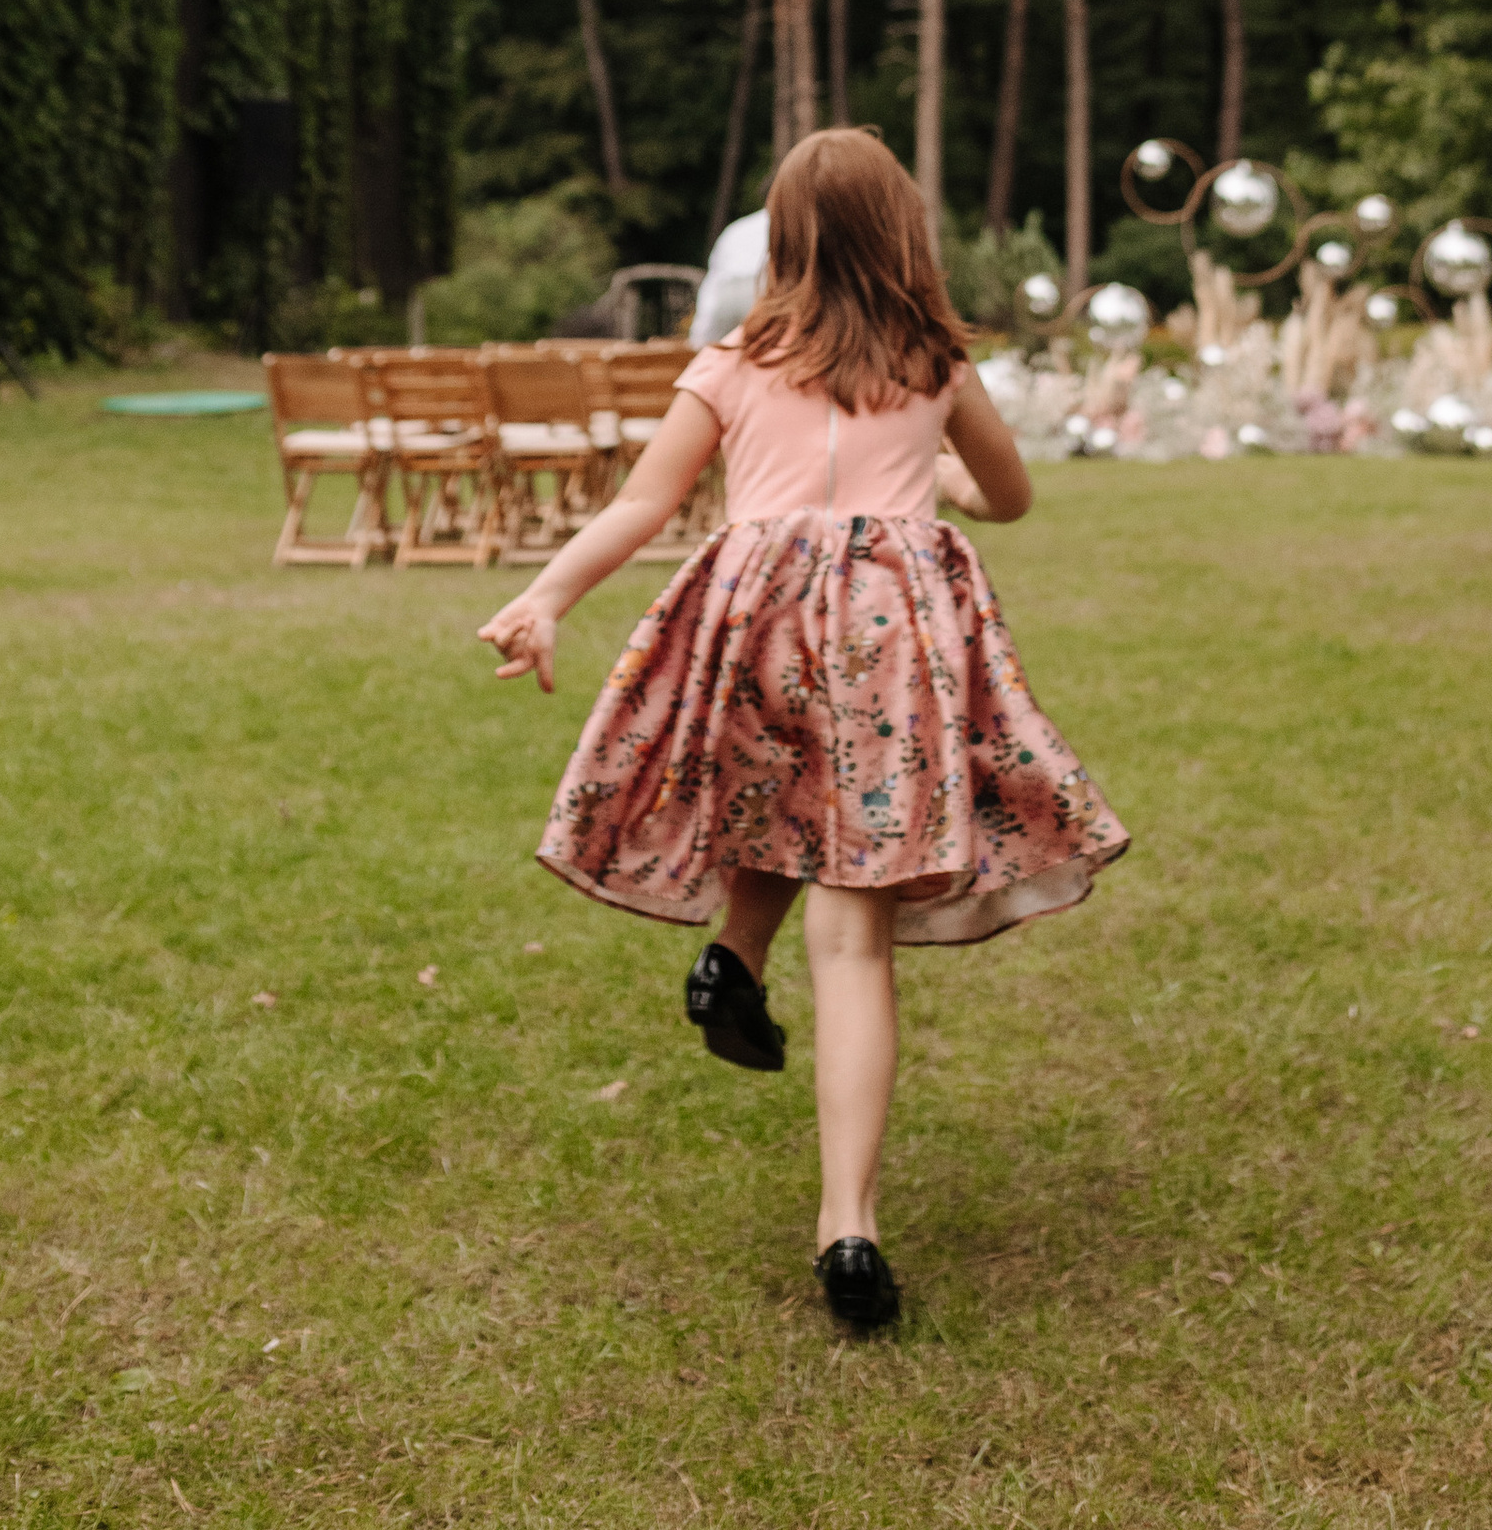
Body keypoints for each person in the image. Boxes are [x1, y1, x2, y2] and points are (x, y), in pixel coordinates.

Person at [476, 124, 1127, 1332]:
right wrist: (943, 485)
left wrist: (545, 596)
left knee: (771, 801)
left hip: (758, 623)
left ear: (780, 239)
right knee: (856, 944)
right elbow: (1014, 496)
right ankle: (847, 1229)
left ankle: (733, 956)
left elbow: (644, 500)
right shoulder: (937, 366)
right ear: (901, 234)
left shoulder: (728, 361)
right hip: (887, 637)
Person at [688, 204, 768, 347]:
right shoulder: (790, 222)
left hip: (727, 289)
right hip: (762, 287)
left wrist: (699, 337)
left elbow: (715, 280)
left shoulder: (738, 227)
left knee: (718, 350)